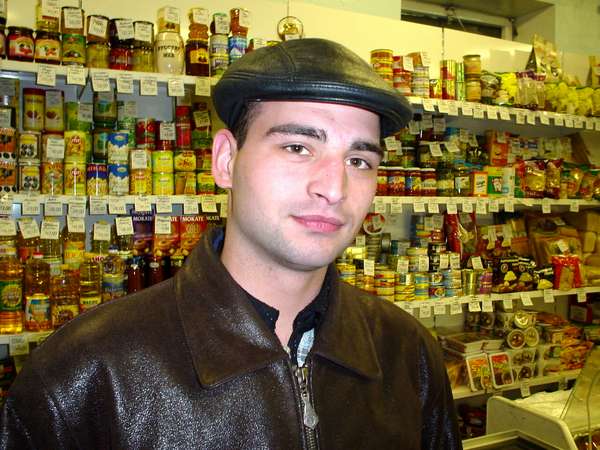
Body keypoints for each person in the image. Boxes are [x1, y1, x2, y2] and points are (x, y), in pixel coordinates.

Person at [0, 38, 462, 449]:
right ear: (225, 160)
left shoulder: (409, 354)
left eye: (359, 160)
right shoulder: (84, 374)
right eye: (298, 147)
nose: (335, 188)